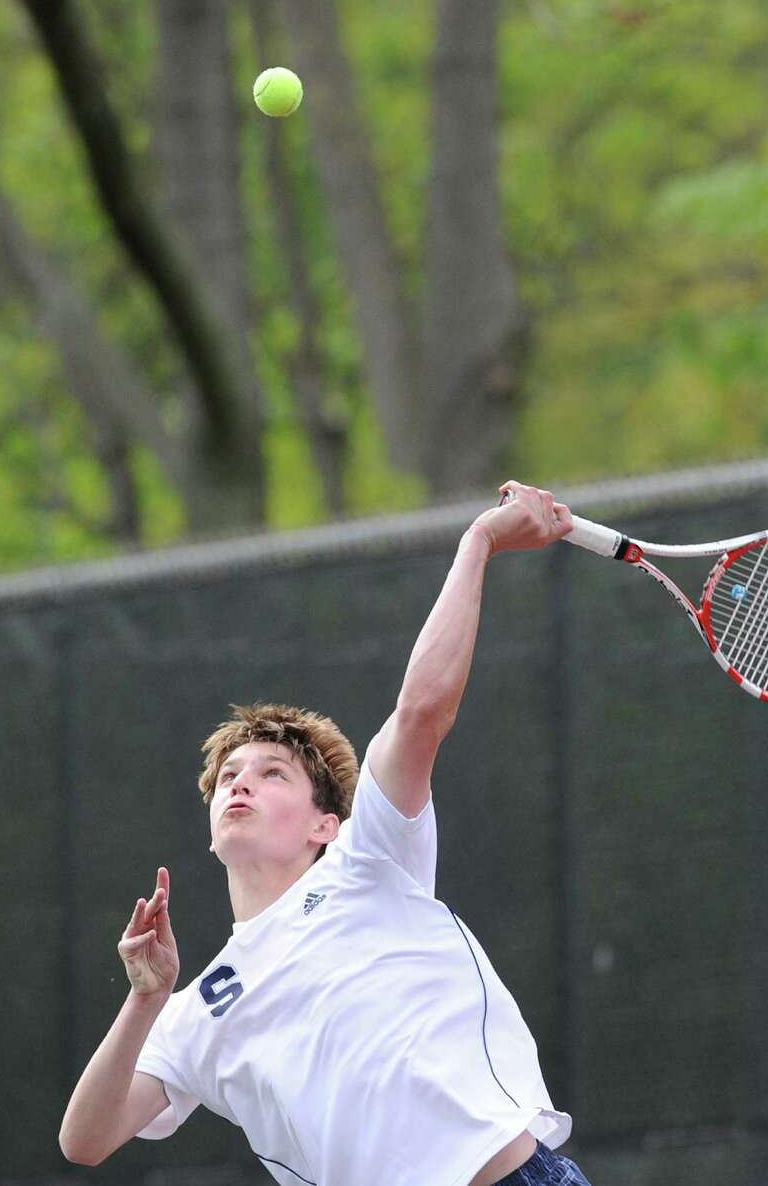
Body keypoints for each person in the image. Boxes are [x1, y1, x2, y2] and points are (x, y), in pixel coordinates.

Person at [58, 481, 593, 1186]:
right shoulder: (197, 1011)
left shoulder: (369, 860)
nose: (240, 784)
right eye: (228, 779)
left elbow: (422, 710)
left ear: (326, 823)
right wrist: (145, 999)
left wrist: (479, 543)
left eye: (272, 773)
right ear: (213, 829)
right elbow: (84, 1140)